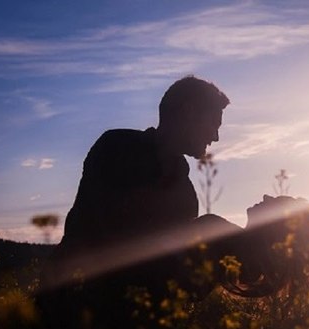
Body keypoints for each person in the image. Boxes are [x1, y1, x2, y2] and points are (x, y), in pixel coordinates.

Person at [52, 75, 230, 279]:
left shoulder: (185, 193)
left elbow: (173, 269)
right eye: (214, 124)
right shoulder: (117, 147)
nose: (215, 137)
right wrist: (207, 228)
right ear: (188, 111)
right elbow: (116, 236)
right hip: (73, 290)